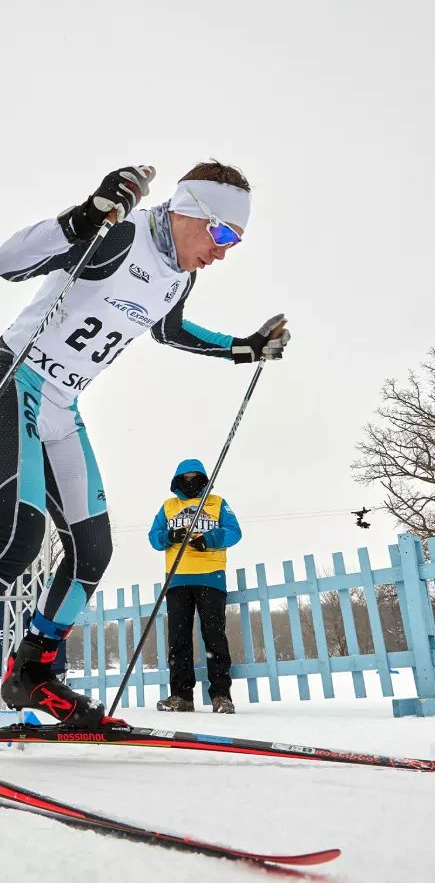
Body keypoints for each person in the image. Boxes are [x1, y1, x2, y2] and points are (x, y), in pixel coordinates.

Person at [0, 159, 290, 728]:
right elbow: (9, 262)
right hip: (16, 377)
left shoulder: (180, 275)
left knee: (92, 553)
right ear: (189, 212)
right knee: (18, 537)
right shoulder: (123, 233)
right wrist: (82, 218)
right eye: (223, 233)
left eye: (236, 240)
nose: (225, 251)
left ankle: (30, 672)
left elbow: (170, 330)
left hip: (62, 404)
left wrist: (244, 348)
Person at [149, 458, 241, 714]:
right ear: (177, 481)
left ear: (204, 479)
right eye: (185, 478)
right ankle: (181, 696)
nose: (190, 482)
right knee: (178, 640)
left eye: (196, 478)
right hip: (177, 579)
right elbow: (153, 538)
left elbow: (234, 531)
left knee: (214, 637)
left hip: (211, 576)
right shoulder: (168, 507)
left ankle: (221, 695)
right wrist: (170, 536)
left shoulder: (217, 502)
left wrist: (209, 539)